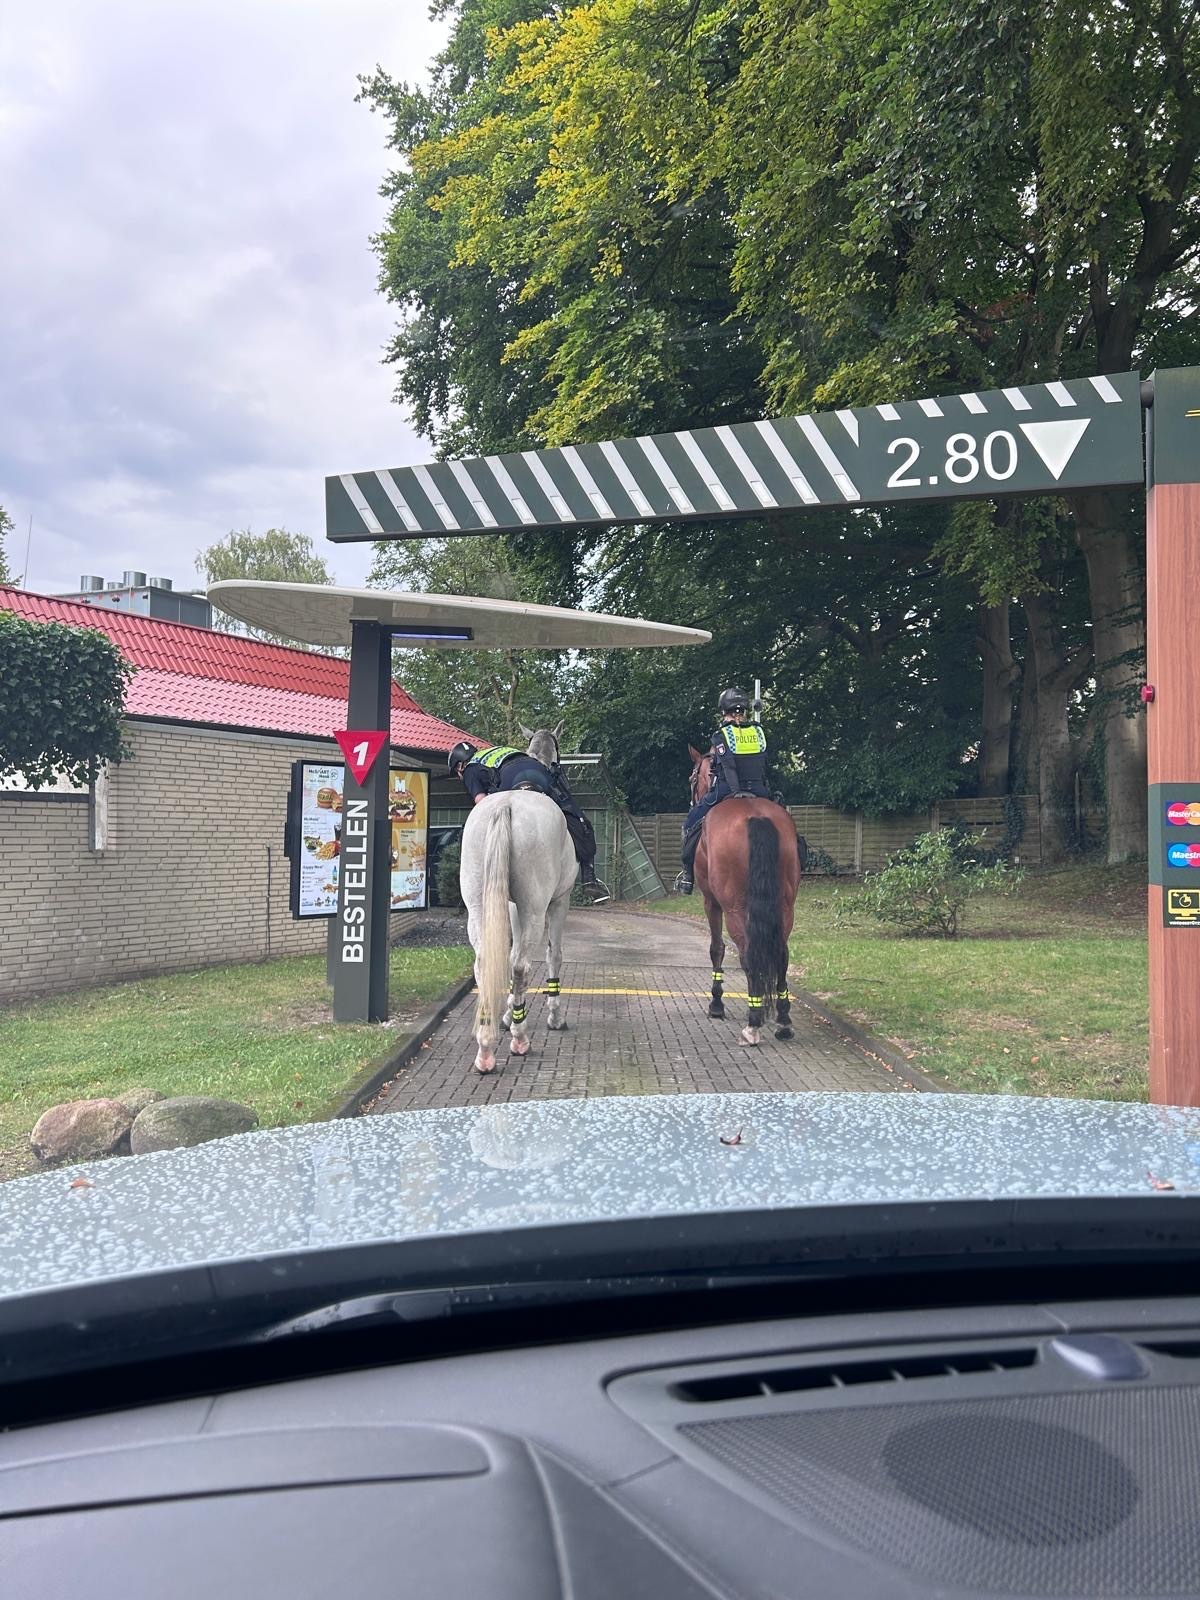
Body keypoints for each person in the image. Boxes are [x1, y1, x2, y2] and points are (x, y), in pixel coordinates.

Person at [448, 740, 610, 903]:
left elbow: (482, 803)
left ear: (460, 765)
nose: (459, 775)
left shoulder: (470, 768)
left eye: (457, 772)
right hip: (539, 770)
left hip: (511, 778)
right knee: (579, 821)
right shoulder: (498, 751)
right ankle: (589, 879)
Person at [674, 687, 773, 895]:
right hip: (760, 789)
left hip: (727, 788)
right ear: (745, 709)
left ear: (723, 711)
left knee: (691, 822)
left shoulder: (722, 735)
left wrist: (736, 792)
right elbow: (764, 763)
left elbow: (728, 765)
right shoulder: (758, 731)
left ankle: (687, 875)